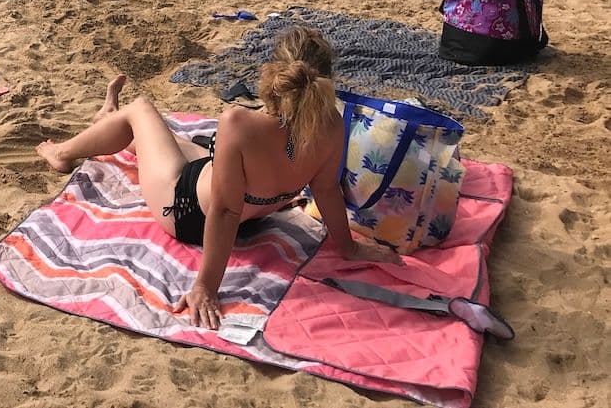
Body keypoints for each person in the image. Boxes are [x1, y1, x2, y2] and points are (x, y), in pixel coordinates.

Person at [36, 27, 398, 328]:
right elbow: (326, 190)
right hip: (248, 212)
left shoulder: (238, 123)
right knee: (168, 140)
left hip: (186, 210)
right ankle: (105, 124)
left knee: (141, 110)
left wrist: (206, 286)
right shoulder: (332, 125)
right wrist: (347, 247)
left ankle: (63, 152)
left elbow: (223, 211)